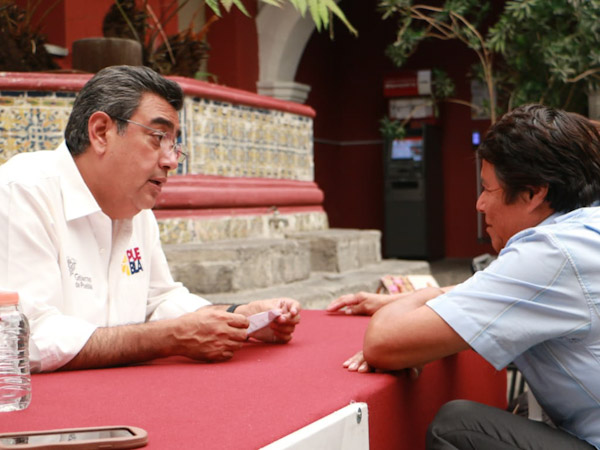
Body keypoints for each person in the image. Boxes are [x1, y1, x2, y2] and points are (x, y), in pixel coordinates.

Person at [327, 104, 600, 449]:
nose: (479, 204)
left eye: (487, 189)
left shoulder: (550, 252)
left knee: (456, 427)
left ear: (534, 193)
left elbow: (383, 344)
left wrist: (419, 298)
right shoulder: (584, 231)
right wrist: (414, 300)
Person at [0, 65, 300, 373]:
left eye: (174, 145)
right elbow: (25, 339)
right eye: (157, 138)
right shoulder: (22, 191)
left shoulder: (135, 208)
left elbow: (159, 301)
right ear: (101, 132)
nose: (171, 161)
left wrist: (242, 316)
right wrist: (168, 338)